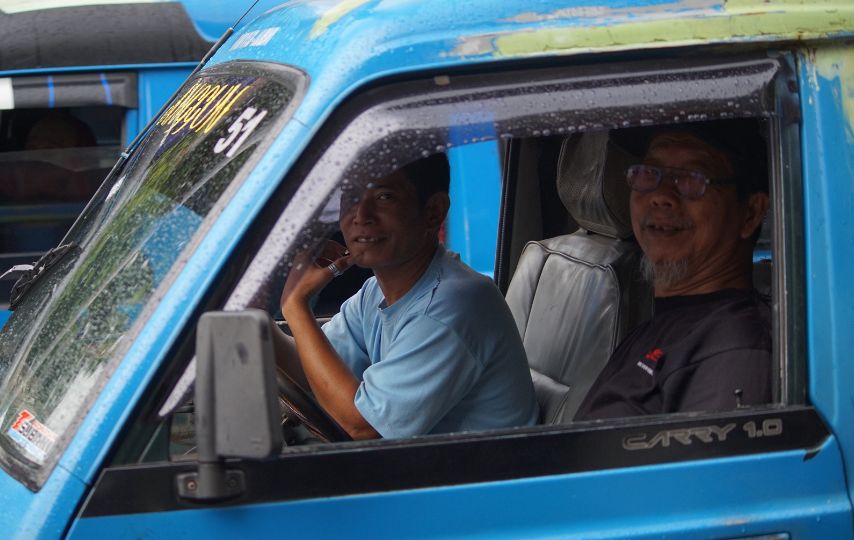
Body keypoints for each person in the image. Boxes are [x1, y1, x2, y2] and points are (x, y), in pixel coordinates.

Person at [276, 154, 538, 440]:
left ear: (433, 212)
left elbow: (364, 427)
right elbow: (315, 370)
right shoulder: (375, 292)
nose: (360, 215)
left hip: (473, 481)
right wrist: (256, 324)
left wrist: (295, 306)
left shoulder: (449, 308)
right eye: (350, 196)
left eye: (385, 197)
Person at [574, 120, 772, 420]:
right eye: (647, 173)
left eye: (692, 178)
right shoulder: (665, 322)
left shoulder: (734, 351)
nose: (660, 195)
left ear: (751, 212)